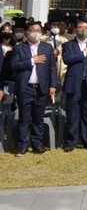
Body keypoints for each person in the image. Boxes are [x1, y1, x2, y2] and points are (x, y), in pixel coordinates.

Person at [10, 21, 57, 155]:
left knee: (38, 118)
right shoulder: (19, 48)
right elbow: (14, 66)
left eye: (38, 30)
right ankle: (22, 146)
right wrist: (32, 61)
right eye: (32, 30)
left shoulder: (47, 48)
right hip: (25, 88)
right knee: (24, 119)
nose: (35, 33)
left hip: (41, 88)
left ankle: (38, 145)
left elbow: (52, 68)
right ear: (26, 33)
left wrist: (52, 85)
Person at [61, 18, 87, 151]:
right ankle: (71, 141)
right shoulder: (68, 45)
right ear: (75, 28)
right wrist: (84, 53)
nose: (83, 30)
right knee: (73, 114)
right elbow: (67, 59)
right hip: (74, 83)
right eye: (80, 27)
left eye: (86, 28)